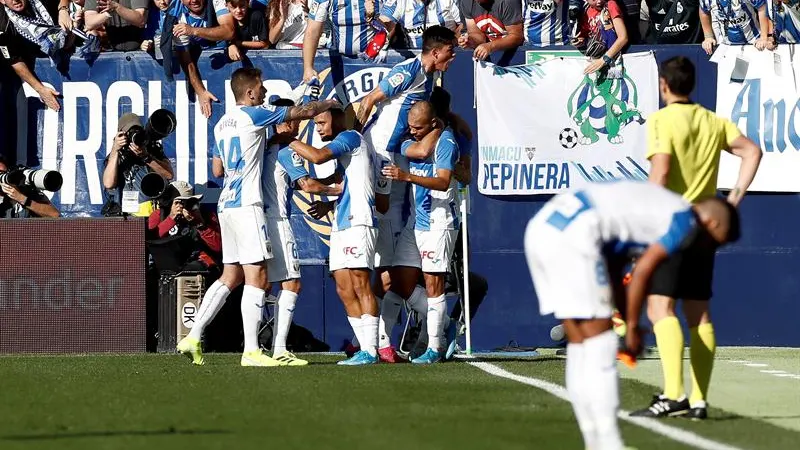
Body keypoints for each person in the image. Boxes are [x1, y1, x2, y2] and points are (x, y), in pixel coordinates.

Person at [525, 180, 741, 450]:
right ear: (714, 224)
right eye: (714, 244)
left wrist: (628, 321)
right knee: (601, 344)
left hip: (543, 230)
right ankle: (609, 442)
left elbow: (615, 265)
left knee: (581, 343)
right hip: (577, 235)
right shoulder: (684, 220)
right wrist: (630, 327)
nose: (708, 250)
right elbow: (642, 271)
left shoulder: (656, 210)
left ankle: (594, 439)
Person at [175, 67, 339, 367]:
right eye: (261, 88)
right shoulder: (255, 117)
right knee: (258, 278)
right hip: (250, 206)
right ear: (250, 92)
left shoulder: (222, 123)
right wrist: (329, 104)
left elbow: (217, 170)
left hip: (227, 203)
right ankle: (252, 350)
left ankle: (193, 334)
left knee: (231, 276)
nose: (263, 92)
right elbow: (300, 114)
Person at [630, 56, 762, 419]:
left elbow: (660, 172)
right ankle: (700, 400)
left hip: (673, 224)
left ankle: (673, 395)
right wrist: (733, 200)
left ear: (663, 85)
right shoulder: (712, 120)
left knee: (660, 308)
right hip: (705, 228)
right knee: (699, 313)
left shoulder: (662, 119)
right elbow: (752, 151)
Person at [351, 25, 457, 363]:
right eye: (450, 51)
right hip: (379, 152)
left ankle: (402, 341)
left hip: (396, 159)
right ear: (436, 51)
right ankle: (383, 342)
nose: (453, 57)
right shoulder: (408, 70)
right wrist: (356, 142)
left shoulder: (427, 81)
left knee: (388, 232)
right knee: (376, 214)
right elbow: (370, 99)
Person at [284, 107, 387, 366]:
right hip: (342, 223)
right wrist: (330, 205)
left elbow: (318, 158)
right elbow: (343, 182)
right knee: (343, 287)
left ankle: (373, 350)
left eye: (322, 122)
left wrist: (287, 139)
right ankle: (365, 348)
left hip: (359, 221)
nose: (318, 128)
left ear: (339, 120)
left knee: (360, 283)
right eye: (316, 123)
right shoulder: (347, 152)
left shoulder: (351, 137)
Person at [261, 97, 344, 366]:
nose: (300, 124)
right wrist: (338, 190)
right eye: (296, 118)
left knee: (256, 283)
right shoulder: (287, 150)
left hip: (258, 219)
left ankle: (252, 344)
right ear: (287, 122)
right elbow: (307, 185)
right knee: (292, 284)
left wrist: (327, 183)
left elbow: (293, 184)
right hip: (277, 220)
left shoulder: (263, 147)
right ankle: (279, 349)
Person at [381, 101, 460, 364]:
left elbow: (443, 181)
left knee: (433, 285)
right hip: (416, 223)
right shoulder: (413, 141)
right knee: (399, 281)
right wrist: (424, 137)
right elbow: (418, 149)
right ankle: (447, 323)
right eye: (411, 127)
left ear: (434, 123)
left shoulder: (447, 143)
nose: (412, 131)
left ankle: (435, 348)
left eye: (418, 127)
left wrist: (407, 177)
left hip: (439, 222)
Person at [0, 0, 74, 112]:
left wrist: (63, 9)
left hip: (68, 42)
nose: (15, 0)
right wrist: (41, 89)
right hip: (35, 59)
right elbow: (15, 61)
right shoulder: (3, 25)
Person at [101, 112, 175, 217]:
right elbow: (108, 183)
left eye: (137, 130)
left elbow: (169, 175)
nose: (134, 135)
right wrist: (115, 149)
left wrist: (146, 157)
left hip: (151, 215)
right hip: (126, 216)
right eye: (130, 132)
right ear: (121, 134)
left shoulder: (152, 150)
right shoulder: (115, 154)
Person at [146, 180, 222, 275]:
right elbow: (151, 242)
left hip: (198, 261)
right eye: (179, 202)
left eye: (188, 201)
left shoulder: (205, 215)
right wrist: (171, 218)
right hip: (167, 263)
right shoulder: (159, 215)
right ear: (170, 203)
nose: (184, 206)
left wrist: (200, 224)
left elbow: (217, 247)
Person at [303, 0, 387, 82]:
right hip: (340, 63)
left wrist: (374, 17)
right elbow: (312, 31)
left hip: (376, 62)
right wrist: (308, 67)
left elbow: (394, 21)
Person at [574, 0, 629, 74]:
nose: (599, 1)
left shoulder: (611, 5)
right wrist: (579, 42)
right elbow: (584, 36)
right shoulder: (585, 10)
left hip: (612, 60)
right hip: (594, 62)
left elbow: (623, 38)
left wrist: (604, 59)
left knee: (615, 84)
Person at [457, 0, 524, 60]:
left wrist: (490, 46)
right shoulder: (466, 2)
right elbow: (476, 33)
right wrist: (470, 40)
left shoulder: (508, 2)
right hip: (488, 54)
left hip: (515, 53)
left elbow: (517, 36)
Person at [379, 0, 462, 49]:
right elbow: (385, 24)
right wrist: (371, 17)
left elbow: (464, 24)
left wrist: (453, 41)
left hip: (445, 55)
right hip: (412, 56)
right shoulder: (398, 1)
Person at [699, 0, 768, 54]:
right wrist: (708, 37)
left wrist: (764, 37)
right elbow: (703, 11)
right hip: (725, 44)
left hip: (753, 41)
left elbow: (762, 7)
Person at [83, 0, 148, 51]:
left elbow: (140, 20)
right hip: (112, 50)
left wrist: (116, 7)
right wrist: (106, 14)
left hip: (141, 50)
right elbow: (89, 24)